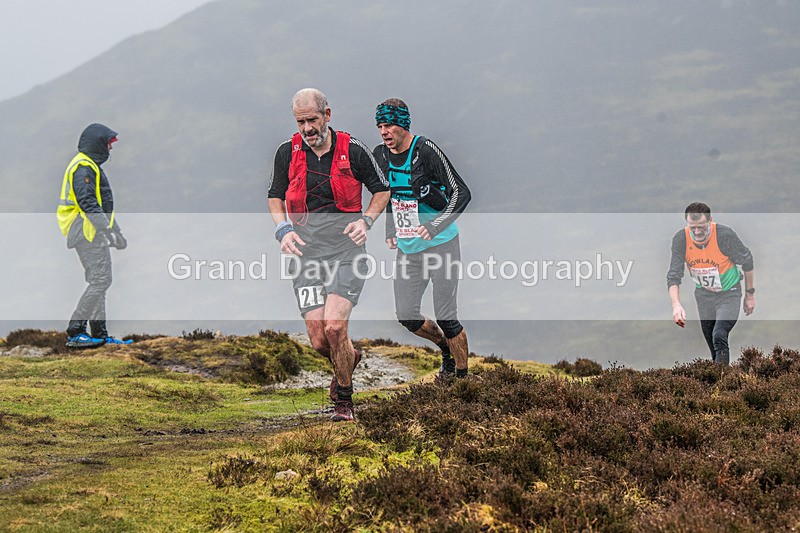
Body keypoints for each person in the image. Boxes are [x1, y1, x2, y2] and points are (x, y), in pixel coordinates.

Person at [268, 88, 390, 422]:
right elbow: (275, 196)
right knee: (321, 341)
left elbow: (382, 190)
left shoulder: (353, 149)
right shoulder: (287, 152)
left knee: (335, 328)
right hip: (305, 255)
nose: (307, 128)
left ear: (327, 115)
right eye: (300, 122)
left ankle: (344, 404)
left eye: (312, 120)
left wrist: (366, 221)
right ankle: (349, 357)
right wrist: (283, 230)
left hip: (347, 251)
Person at [373, 98, 471, 378]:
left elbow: (461, 193)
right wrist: (390, 229)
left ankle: (462, 381)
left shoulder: (425, 151)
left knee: (446, 317)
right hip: (409, 248)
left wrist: (436, 226)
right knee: (406, 315)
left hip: (442, 245)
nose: (384, 131)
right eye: (380, 126)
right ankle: (445, 349)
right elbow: (388, 194)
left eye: (389, 125)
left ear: (403, 124)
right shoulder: (380, 155)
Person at [57, 123, 131, 348]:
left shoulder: (90, 165)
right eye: (108, 144)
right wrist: (107, 229)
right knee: (101, 281)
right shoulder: (83, 167)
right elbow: (87, 202)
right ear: (98, 144)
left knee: (100, 281)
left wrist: (115, 231)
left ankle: (100, 335)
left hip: (92, 231)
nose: (111, 148)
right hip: (85, 231)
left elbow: (99, 204)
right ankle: (76, 331)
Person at [667, 202, 755, 365]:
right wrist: (676, 305)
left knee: (719, 334)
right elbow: (674, 275)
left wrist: (750, 294)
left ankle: (723, 378)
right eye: (693, 227)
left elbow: (747, 261)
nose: (697, 232)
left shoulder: (724, 236)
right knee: (713, 345)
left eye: (701, 227)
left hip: (729, 293)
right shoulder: (681, 240)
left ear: (710, 221)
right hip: (704, 296)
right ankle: (718, 377)